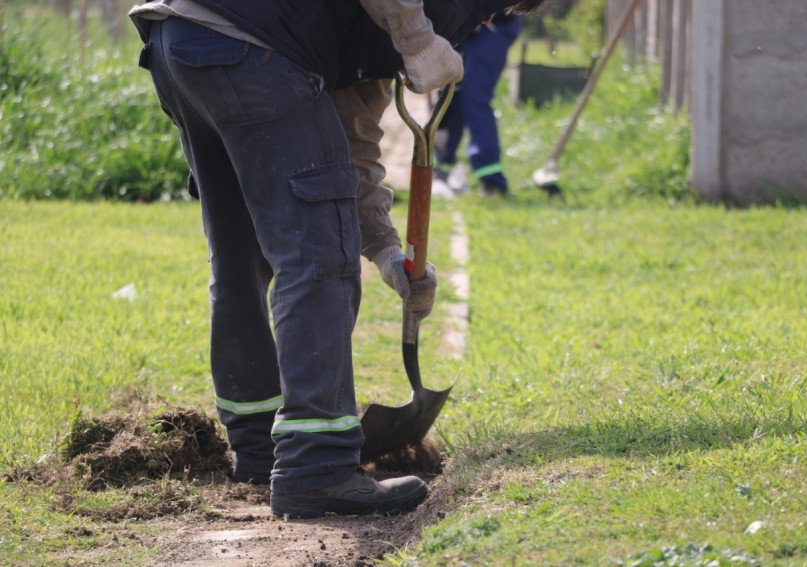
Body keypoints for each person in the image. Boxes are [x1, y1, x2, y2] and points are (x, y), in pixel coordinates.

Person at [129, 0, 545, 519]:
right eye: (494, 10)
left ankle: (260, 446)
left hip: (184, 38)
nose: (484, 24)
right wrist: (418, 38)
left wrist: (388, 252)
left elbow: (352, 140)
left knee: (242, 257)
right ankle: (316, 466)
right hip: (252, 45)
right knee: (319, 256)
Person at [434, 13, 523, 197]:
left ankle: (491, 178)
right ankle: (442, 166)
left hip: (493, 24)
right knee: (451, 94)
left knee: (474, 97)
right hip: (465, 24)